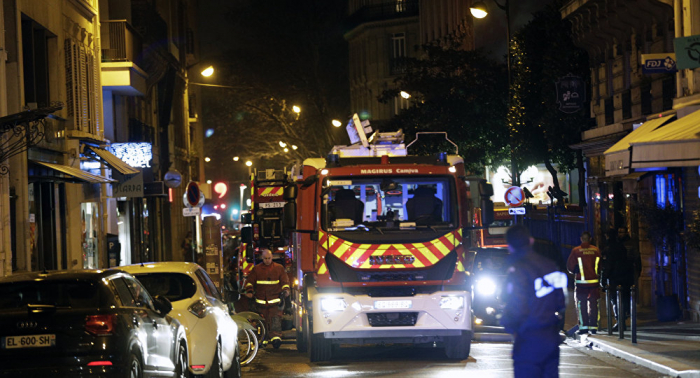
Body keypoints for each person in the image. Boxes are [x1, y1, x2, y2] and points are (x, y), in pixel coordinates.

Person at [501, 225, 567, 378]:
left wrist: (510, 326)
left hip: (527, 338)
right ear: (531, 241)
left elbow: (515, 306)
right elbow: (561, 302)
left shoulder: (517, 269)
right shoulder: (550, 266)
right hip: (550, 338)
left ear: (509, 246)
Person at [244, 249, 290, 349]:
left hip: (275, 301)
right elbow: (250, 282)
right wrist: (250, 291)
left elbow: (284, 281)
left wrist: (286, 290)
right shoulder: (257, 269)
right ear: (262, 258)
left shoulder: (279, 268)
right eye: (265, 258)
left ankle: (276, 338)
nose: (267, 260)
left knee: (275, 319)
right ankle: (263, 339)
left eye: (269, 258)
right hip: (261, 301)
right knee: (262, 321)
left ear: (272, 257)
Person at [567, 231, 602, 334]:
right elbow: (600, 266)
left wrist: (575, 272)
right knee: (594, 304)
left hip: (581, 283)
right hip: (594, 283)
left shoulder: (576, 251)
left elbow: (570, 267)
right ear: (590, 239)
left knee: (581, 304)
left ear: (581, 239)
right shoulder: (596, 250)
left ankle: (583, 327)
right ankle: (593, 326)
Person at [602, 228, 634, 331]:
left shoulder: (609, 248)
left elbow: (608, 265)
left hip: (614, 278)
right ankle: (622, 321)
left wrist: (603, 279)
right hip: (624, 277)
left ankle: (619, 322)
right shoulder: (621, 247)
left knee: (615, 301)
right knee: (622, 299)